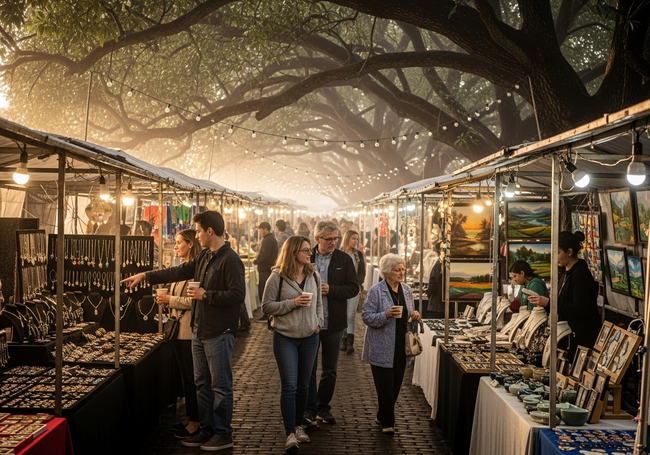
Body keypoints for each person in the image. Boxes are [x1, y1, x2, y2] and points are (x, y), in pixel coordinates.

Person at [121, 211, 245, 452]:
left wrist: (206, 295)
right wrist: (147, 275)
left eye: (198, 231)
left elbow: (238, 295)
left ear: (210, 231)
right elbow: (176, 272)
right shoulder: (205, 257)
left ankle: (223, 433)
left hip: (219, 331)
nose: (196, 235)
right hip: (199, 330)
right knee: (201, 384)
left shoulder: (230, 260)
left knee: (220, 386)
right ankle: (206, 429)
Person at [262, 236, 323, 452]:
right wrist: (293, 303)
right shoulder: (276, 277)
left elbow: (319, 303)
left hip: (310, 337)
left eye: (310, 251)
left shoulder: (313, 274)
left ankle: (298, 426)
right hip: (285, 337)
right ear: (293, 252)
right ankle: (290, 433)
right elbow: (266, 307)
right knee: (289, 385)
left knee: (304, 386)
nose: (310, 254)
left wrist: (318, 323)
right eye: (306, 250)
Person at [303, 221, 359, 426]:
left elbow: (353, 288)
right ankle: (309, 408)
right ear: (317, 239)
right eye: (329, 239)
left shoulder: (344, 259)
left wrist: (331, 290)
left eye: (336, 238)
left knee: (330, 369)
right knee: (308, 369)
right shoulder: (307, 257)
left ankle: (323, 406)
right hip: (310, 322)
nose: (333, 242)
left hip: (334, 322)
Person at [361, 253, 421, 434]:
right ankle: (388, 423)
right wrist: (385, 315)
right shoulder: (376, 291)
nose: (401, 272)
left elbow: (409, 314)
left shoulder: (407, 290)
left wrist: (415, 315)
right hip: (381, 346)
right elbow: (366, 316)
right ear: (387, 272)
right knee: (385, 386)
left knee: (395, 386)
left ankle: (382, 414)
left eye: (403, 269)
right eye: (397, 270)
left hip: (402, 346)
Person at [155, 229, 202, 440]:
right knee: (185, 378)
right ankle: (190, 416)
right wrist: (166, 299)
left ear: (191, 244)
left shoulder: (195, 272)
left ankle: (196, 421)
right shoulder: (181, 270)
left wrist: (170, 300)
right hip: (176, 329)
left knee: (192, 378)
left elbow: (196, 301)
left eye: (179, 242)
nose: (176, 246)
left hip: (188, 331)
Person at [527, 231, 600, 359]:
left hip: (580, 339)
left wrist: (549, 303)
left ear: (569, 252)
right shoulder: (563, 271)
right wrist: (545, 303)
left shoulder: (580, 274)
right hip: (565, 336)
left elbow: (579, 308)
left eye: (558, 252)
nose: (555, 257)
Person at [339, 230, 366, 354]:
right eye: (353, 239)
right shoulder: (339, 253)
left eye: (357, 239)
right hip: (341, 288)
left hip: (353, 288)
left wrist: (358, 283)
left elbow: (361, 271)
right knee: (342, 314)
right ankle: (343, 339)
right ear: (347, 239)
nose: (356, 241)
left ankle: (350, 342)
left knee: (350, 315)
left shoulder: (358, 255)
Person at [253, 222, 279, 323]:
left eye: (260, 229)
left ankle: (266, 314)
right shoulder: (270, 239)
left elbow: (265, 255)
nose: (260, 231)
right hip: (267, 269)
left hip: (266, 269)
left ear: (265, 229)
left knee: (264, 291)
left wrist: (256, 261)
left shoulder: (268, 240)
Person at [425, 242, 444, 319]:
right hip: (439, 305)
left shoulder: (439, 264)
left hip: (436, 304)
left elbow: (433, 283)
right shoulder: (440, 264)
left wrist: (429, 293)